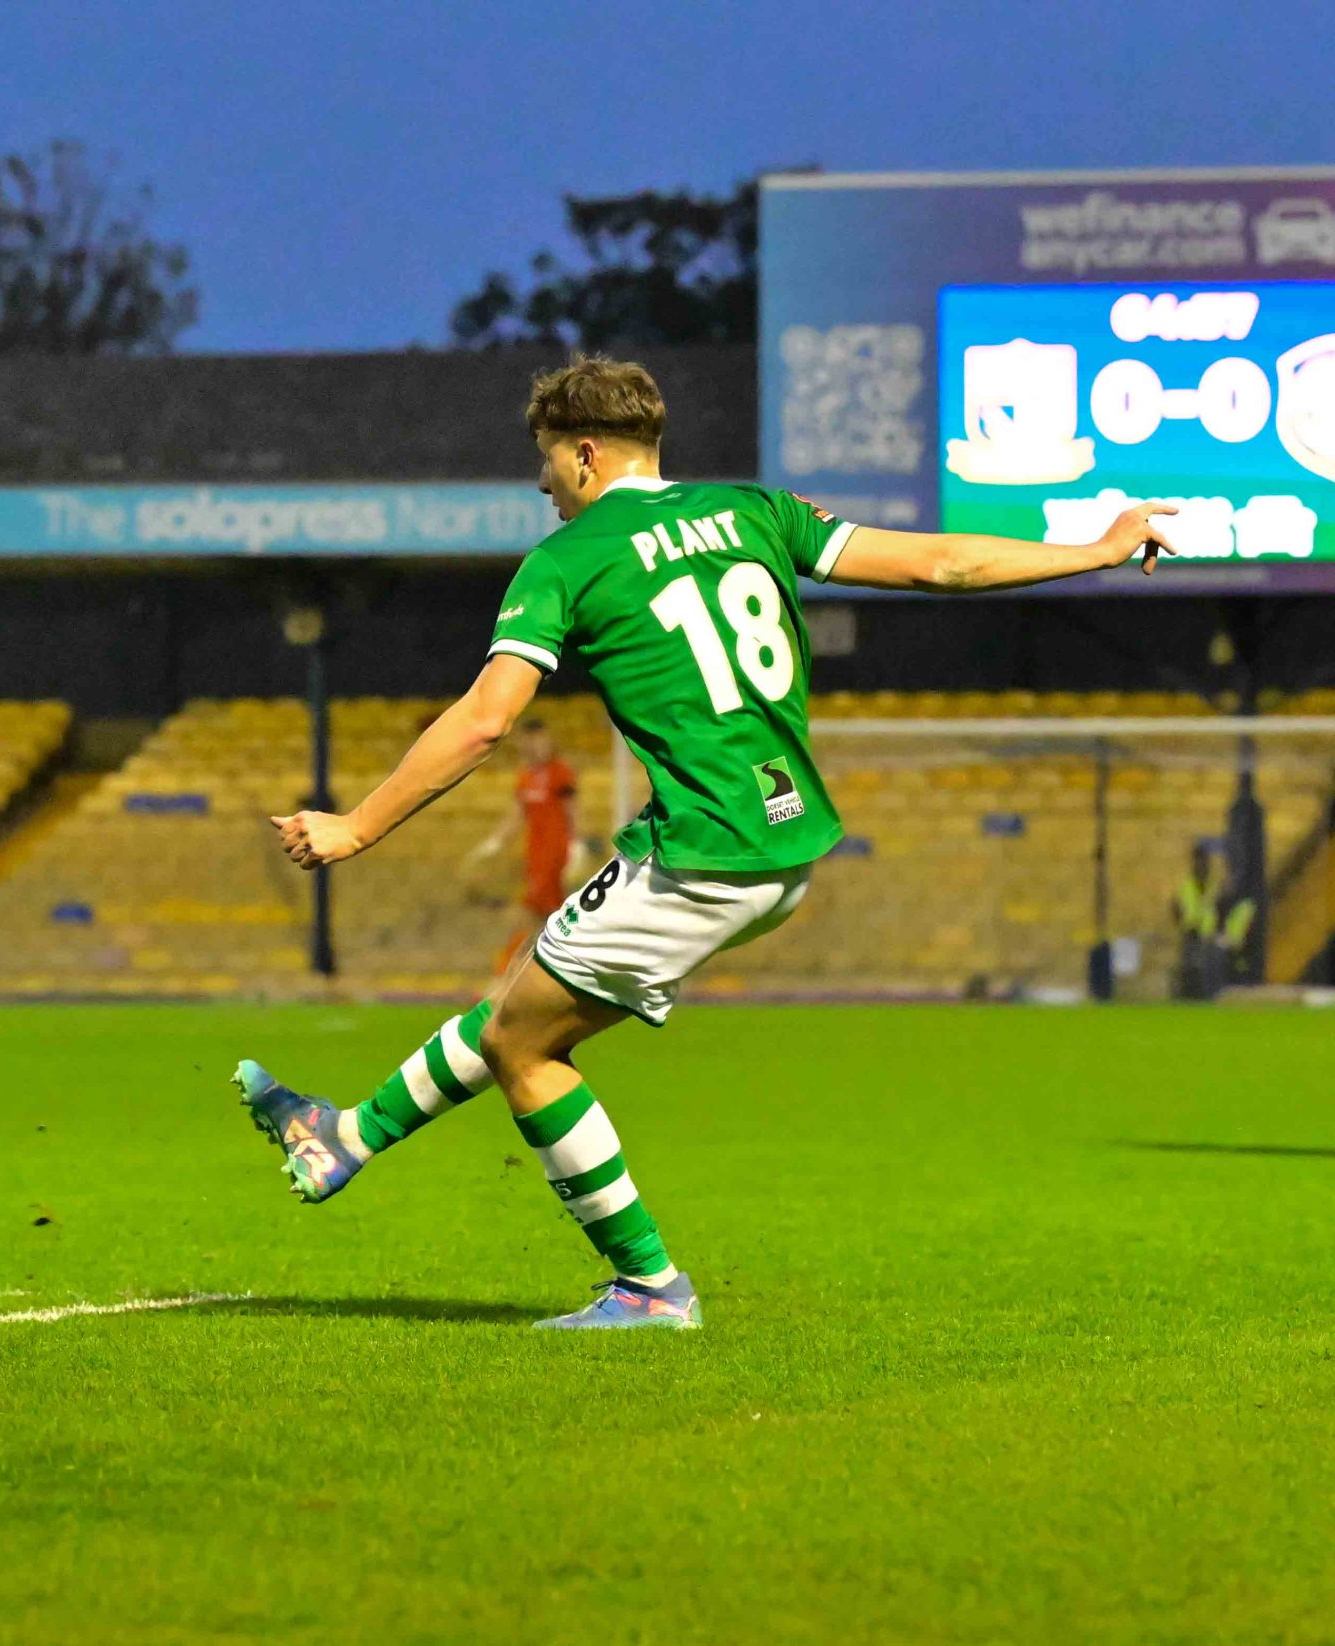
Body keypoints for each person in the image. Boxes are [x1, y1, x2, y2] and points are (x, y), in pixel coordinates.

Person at [235, 356, 1177, 1330]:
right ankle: (343, 1134)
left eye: (548, 461)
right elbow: (943, 564)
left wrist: (357, 823)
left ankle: (648, 1285)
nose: (542, 483)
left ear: (586, 452)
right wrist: (1097, 547)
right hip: (780, 835)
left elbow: (485, 719)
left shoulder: (568, 559)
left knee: (524, 1042)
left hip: (703, 849)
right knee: (522, 1004)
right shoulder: (758, 512)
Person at [461, 718, 577, 978]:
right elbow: (517, 816)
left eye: (540, 738)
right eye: (530, 739)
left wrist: (575, 845)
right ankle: (540, 971)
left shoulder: (560, 772)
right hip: (534, 856)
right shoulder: (525, 776)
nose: (535, 745)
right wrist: (493, 843)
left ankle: (506, 972)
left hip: (555, 856)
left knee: (530, 914)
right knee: (548, 916)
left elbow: (572, 812)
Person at [1171, 842, 1251, 1001]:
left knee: (1210, 970)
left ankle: (1211, 998)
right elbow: (1178, 907)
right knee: (1190, 970)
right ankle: (1190, 999)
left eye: (1204, 860)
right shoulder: (1186, 886)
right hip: (1191, 934)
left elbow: (1218, 908)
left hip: (1209, 934)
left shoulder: (1214, 885)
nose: (1201, 864)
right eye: (1198, 860)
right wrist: (1183, 924)